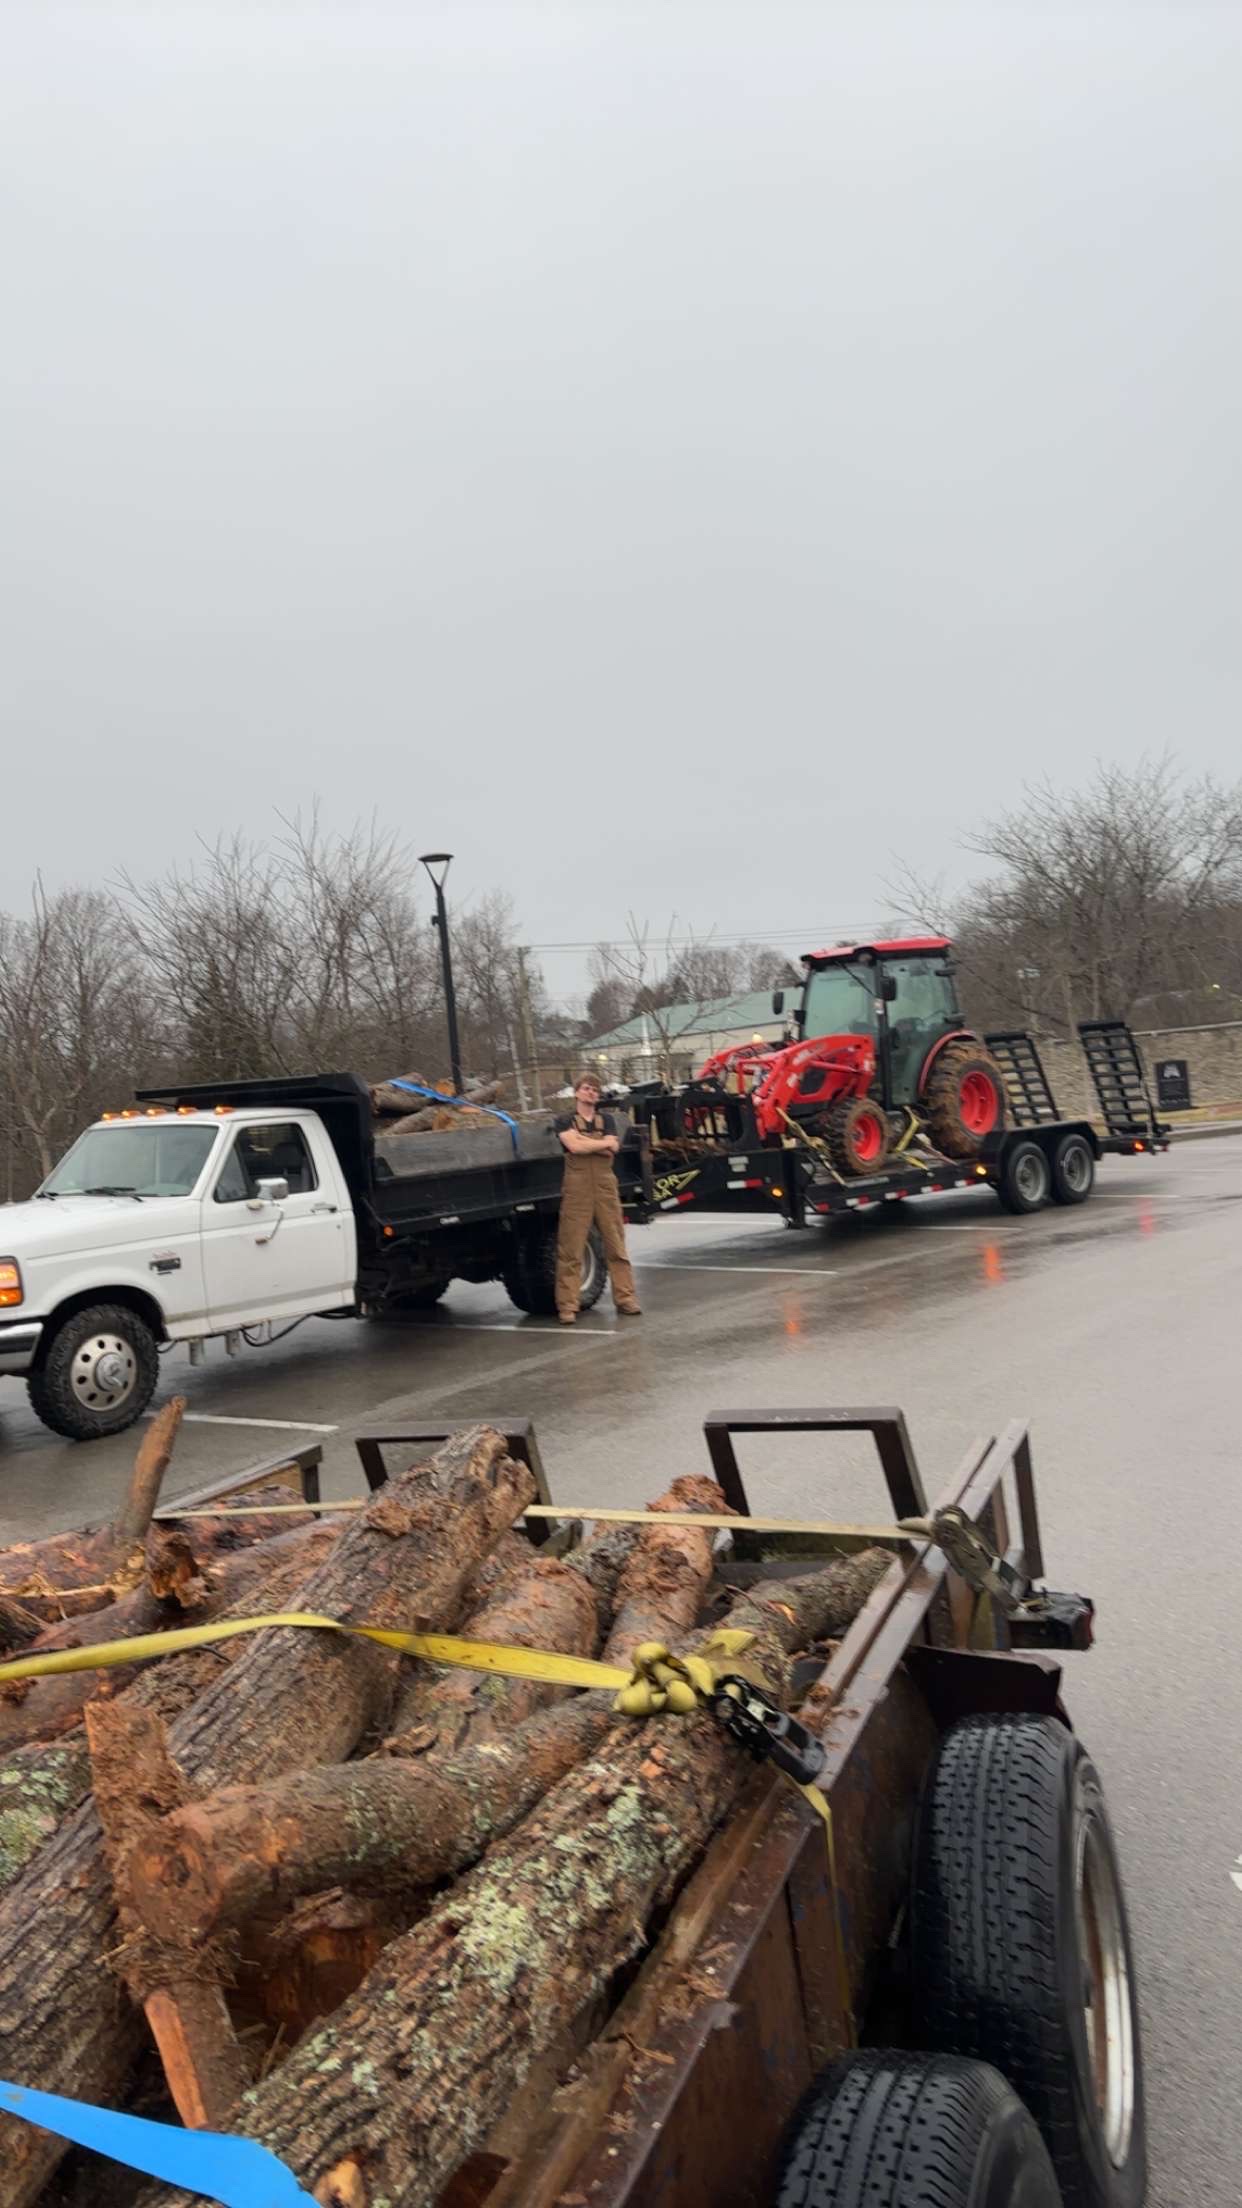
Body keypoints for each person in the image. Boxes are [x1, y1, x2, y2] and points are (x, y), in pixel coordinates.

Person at [553, 1073, 642, 1325]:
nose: (591, 1092)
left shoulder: (609, 1120)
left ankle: (626, 1299)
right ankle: (568, 1306)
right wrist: (598, 1143)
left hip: (605, 1187)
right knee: (571, 1247)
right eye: (586, 1088)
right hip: (577, 1188)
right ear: (577, 1092)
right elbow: (574, 1147)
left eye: (594, 1089)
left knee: (616, 1244)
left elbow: (613, 1146)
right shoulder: (564, 1120)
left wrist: (586, 1141)